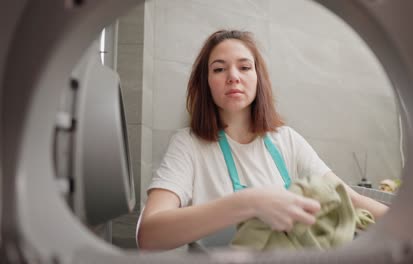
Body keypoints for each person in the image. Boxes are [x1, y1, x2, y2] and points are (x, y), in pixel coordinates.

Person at [137, 29, 388, 251]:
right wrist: (248, 203)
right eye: (219, 68)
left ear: (258, 78)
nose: (233, 76)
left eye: (245, 67)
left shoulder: (286, 140)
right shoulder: (188, 145)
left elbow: (349, 199)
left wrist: (407, 223)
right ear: (206, 83)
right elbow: (149, 235)